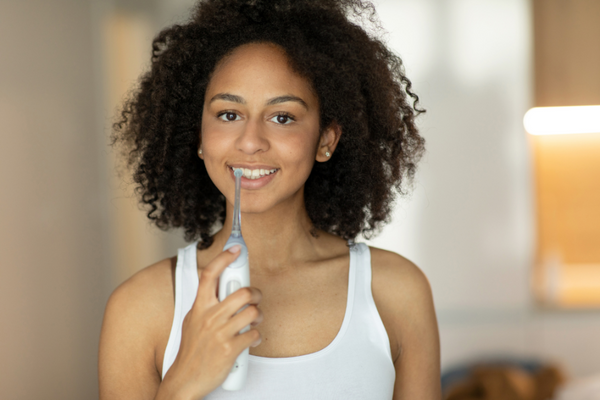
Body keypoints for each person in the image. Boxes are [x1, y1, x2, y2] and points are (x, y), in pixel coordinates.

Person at [99, 0, 440, 398]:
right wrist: (183, 381)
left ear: (326, 140)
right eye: (228, 114)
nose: (251, 141)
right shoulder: (139, 309)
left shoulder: (396, 292)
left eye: (283, 117)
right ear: (198, 137)